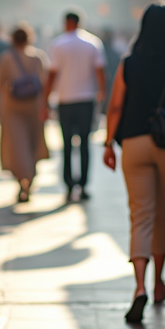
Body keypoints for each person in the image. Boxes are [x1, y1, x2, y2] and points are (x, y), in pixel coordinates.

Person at [103, 2, 165, 324]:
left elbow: (115, 106)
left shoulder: (128, 64)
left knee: (140, 215)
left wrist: (108, 142)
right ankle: (159, 283)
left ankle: (138, 288)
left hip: (133, 143)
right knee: (163, 212)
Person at [45, 11, 107, 201]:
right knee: (85, 143)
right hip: (86, 99)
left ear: (66, 23)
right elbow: (99, 71)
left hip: (65, 99)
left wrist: (46, 97)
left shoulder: (58, 44)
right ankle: (84, 184)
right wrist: (101, 92)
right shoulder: (92, 43)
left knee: (67, 144)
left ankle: (69, 184)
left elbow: (52, 74)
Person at [0, 25, 50, 203]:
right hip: (34, 106)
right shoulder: (38, 57)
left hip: (12, 107)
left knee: (17, 145)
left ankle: (22, 180)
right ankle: (30, 177)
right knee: (33, 143)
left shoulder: (6, 58)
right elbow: (45, 82)